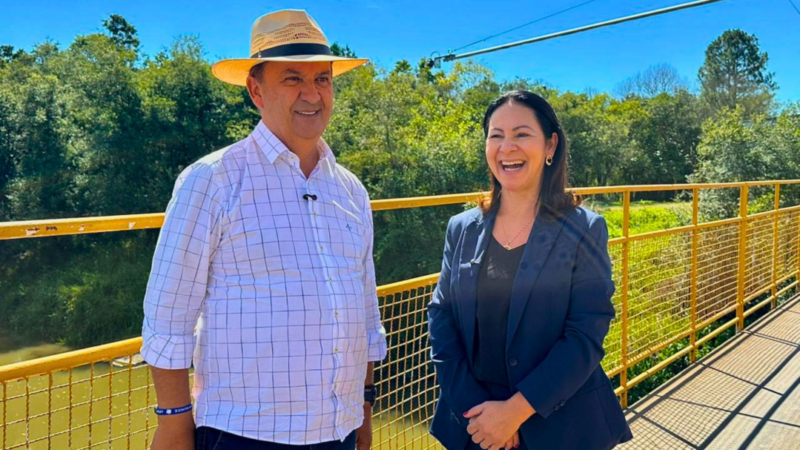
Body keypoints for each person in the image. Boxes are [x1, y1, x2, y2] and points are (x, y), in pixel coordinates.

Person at [140, 10, 387, 450]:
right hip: (246, 434)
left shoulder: (351, 191)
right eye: (293, 79)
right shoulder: (212, 180)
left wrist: (364, 406)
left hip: (340, 428)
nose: (312, 94)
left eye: (323, 79)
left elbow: (364, 310)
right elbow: (168, 315)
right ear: (256, 89)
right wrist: (174, 422)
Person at [427, 90, 633, 450]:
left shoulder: (584, 229)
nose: (507, 147)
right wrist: (475, 413)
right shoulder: (461, 228)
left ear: (550, 145)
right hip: (474, 426)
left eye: (522, 134)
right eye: (496, 135)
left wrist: (514, 413)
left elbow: (585, 335)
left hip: (558, 426)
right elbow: (441, 316)